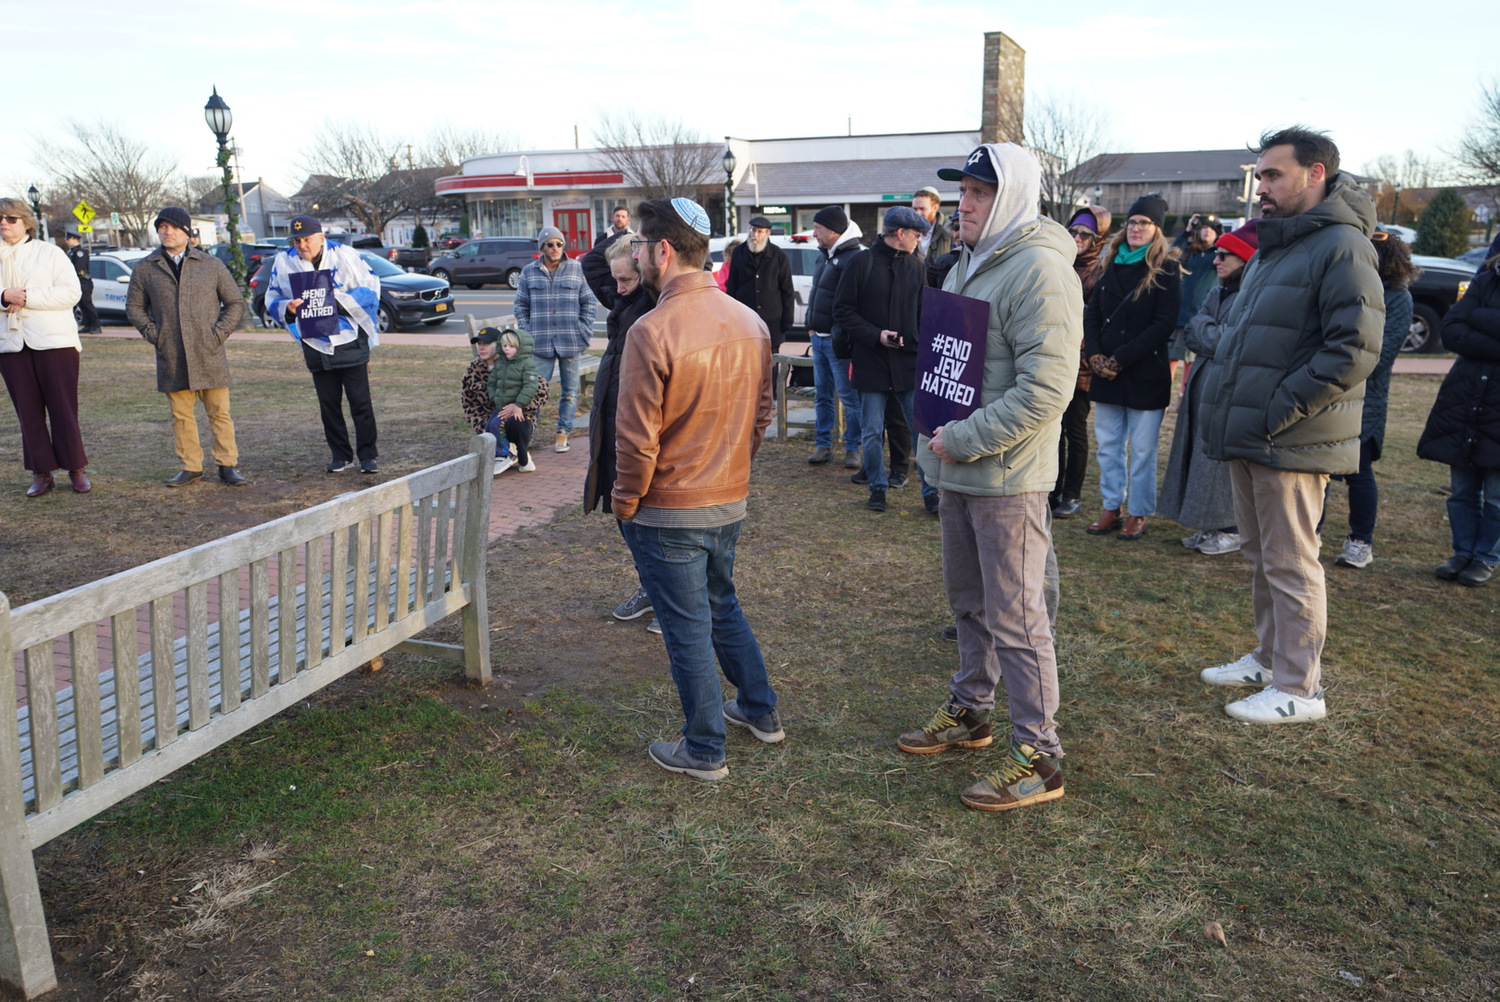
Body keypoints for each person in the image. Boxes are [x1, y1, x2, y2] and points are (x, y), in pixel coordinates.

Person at [901, 143, 1081, 813]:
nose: (962, 204)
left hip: (1007, 477)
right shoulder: (967, 267)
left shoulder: (1037, 271)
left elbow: (1047, 389)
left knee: (1019, 618)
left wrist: (963, 439)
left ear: (1008, 197)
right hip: (959, 472)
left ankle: (1040, 755)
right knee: (969, 603)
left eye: (978, 192)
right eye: (961, 192)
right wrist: (935, 441)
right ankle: (972, 710)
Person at [1198, 126, 1383, 723]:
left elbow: (1354, 346)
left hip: (1292, 437)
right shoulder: (1280, 244)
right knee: (1260, 552)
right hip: (1257, 433)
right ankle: (1271, 656)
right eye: (1260, 175)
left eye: (1274, 174)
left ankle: (1300, 688)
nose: (1261, 187)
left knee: (1292, 559)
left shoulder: (1340, 246)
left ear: (1316, 173)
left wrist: (1281, 408)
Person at [615, 197, 778, 782]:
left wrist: (626, 502)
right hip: (726, 498)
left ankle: (704, 747)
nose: (633, 253)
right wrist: (733, 469)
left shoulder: (651, 329)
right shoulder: (748, 321)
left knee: (688, 627)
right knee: (719, 604)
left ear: (662, 250)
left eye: (638, 243)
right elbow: (760, 417)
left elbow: (637, 440)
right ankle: (760, 709)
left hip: (669, 509)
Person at [126, 205, 249, 487]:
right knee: (181, 414)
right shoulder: (145, 268)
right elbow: (134, 308)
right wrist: (155, 334)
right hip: (171, 352)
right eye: (162, 227)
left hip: (209, 351)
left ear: (187, 232)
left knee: (219, 411)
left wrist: (217, 333)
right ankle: (190, 465)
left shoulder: (210, 265)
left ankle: (227, 464)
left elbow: (236, 303)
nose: (167, 232)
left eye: (173, 227)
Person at [1082, 194, 1182, 540]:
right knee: (1108, 445)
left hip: (1143, 372)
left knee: (1142, 450)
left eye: (1144, 223)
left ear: (1156, 229)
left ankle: (1139, 512)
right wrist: (1094, 355)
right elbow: (1092, 312)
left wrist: (1119, 358)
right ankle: (1112, 506)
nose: (1136, 228)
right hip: (1105, 371)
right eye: (1133, 222)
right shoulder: (1110, 263)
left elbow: (1163, 324)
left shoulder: (1166, 267)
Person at [1159, 220, 1259, 555]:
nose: (1216, 261)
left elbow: (1229, 341)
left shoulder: (1252, 297)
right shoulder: (1219, 292)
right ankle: (1209, 523)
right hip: (1204, 383)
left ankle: (1230, 528)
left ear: (1246, 261)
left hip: (1229, 389)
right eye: (1217, 254)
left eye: (1225, 256)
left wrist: (1210, 332)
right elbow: (1193, 330)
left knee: (1219, 464)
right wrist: (1210, 332)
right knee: (1200, 458)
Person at [579, 229, 661, 632]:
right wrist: (624, 236)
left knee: (646, 522)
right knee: (624, 516)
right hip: (613, 428)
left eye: (626, 278)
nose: (617, 286)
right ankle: (652, 589)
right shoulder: (621, 295)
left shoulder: (655, 303)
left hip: (638, 427)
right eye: (615, 280)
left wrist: (642, 246)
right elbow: (590, 263)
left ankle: (667, 599)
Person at [833, 205, 938, 514]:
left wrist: (915, 339)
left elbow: (924, 312)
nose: (919, 240)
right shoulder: (860, 263)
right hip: (871, 361)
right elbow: (842, 312)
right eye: (917, 234)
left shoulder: (917, 267)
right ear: (900, 234)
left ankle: (930, 492)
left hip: (907, 361)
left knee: (919, 431)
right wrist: (876, 334)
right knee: (872, 430)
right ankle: (877, 488)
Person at [1326, 231, 1416, 568]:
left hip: (1366, 397)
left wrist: (1342, 361)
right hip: (1333, 391)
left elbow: (1382, 352)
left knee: (1358, 471)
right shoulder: (1349, 289)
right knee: (1321, 468)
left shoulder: (1397, 298)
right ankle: (1312, 532)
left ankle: (1361, 541)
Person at [267, 214, 382, 474]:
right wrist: (288, 308)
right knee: (328, 404)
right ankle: (340, 456)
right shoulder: (284, 262)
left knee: (360, 402)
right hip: (315, 342)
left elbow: (370, 287)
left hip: (349, 339)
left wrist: (338, 301)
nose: (302, 245)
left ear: (321, 237)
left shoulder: (345, 255)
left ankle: (368, 456)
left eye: (307, 239)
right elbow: (272, 295)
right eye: (297, 241)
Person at [1416, 246, 1500, 587]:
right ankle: (1462, 552)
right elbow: (1451, 329)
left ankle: (1485, 558)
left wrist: (1480, 319)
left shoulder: (1483, 290)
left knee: (1496, 495)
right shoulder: (1485, 279)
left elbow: (1466, 325)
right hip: (1466, 398)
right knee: (1462, 490)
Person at [0, 198, 87, 497]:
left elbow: (70, 293)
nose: (4, 223)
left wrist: (26, 296)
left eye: (11, 218)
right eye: (0, 218)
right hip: (11, 346)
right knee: (28, 412)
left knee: (63, 408)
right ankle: (41, 472)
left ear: (26, 222)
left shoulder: (49, 253)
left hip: (54, 341)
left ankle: (75, 468)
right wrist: (3, 295)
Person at [1050, 205, 1112, 519]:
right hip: (1056, 354)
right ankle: (1052, 487)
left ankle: (1071, 494)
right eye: (1073, 231)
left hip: (1083, 361)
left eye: (1085, 234)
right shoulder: (1061, 262)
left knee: (1074, 429)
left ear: (1098, 237)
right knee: (1052, 428)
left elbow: (1099, 318)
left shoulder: (1102, 269)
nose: (1077, 238)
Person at [514, 225, 597, 454]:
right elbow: (520, 304)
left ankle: (563, 433)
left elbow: (589, 302)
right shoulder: (529, 272)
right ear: (542, 246)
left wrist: (584, 329)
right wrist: (527, 330)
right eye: (550, 244)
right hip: (540, 343)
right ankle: (528, 434)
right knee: (536, 390)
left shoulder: (576, 270)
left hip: (571, 341)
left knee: (570, 392)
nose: (555, 248)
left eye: (559, 243)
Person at [804, 205, 864, 468]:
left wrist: (841, 335)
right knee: (822, 395)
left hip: (839, 343)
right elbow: (817, 291)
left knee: (849, 397)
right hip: (818, 338)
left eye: (818, 228)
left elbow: (854, 301)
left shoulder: (854, 258)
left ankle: (853, 448)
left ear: (832, 230)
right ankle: (823, 445)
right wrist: (810, 325)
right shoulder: (823, 255)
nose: (814, 233)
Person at [726, 215, 794, 352]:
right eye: (752, 230)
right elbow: (732, 286)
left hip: (772, 321)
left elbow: (787, 291)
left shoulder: (779, 256)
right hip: (744, 320)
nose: (754, 235)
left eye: (759, 231)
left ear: (768, 234)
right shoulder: (739, 253)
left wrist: (787, 319)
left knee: (771, 362)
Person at [485, 327, 540, 473]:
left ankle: (504, 454)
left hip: (515, 408)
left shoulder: (527, 364)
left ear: (520, 348)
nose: (507, 349)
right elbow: (492, 382)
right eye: (504, 346)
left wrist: (518, 405)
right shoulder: (501, 364)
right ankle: (501, 453)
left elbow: (530, 386)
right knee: (489, 426)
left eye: (511, 346)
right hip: (500, 407)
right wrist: (494, 398)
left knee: (497, 425)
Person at [64, 231, 100, 334]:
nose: (66, 241)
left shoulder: (80, 252)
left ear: (74, 239)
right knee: (82, 305)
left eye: (68, 239)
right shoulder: (72, 251)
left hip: (83, 281)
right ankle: (88, 325)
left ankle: (96, 325)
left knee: (87, 304)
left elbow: (78, 267)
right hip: (77, 281)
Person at [912, 186, 951, 260]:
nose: (917, 213)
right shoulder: (907, 231)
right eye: (915, 209)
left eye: (922, 209)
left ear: (935, 207)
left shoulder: (949, 229)